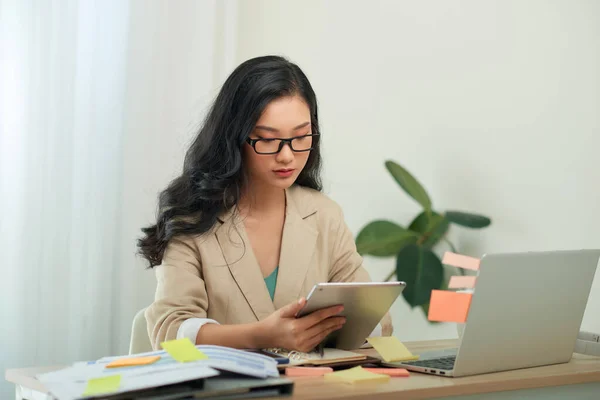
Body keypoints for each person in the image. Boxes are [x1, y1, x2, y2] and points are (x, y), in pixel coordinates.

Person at [138, 55, 393, 352]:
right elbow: (170, 334)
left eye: (300, 137)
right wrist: (262, 336)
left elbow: (375, 317)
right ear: (234, 137)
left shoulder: (323, 214)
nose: (287, 156)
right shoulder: (192, 219)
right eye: (268, 140)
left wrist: (357, 323)